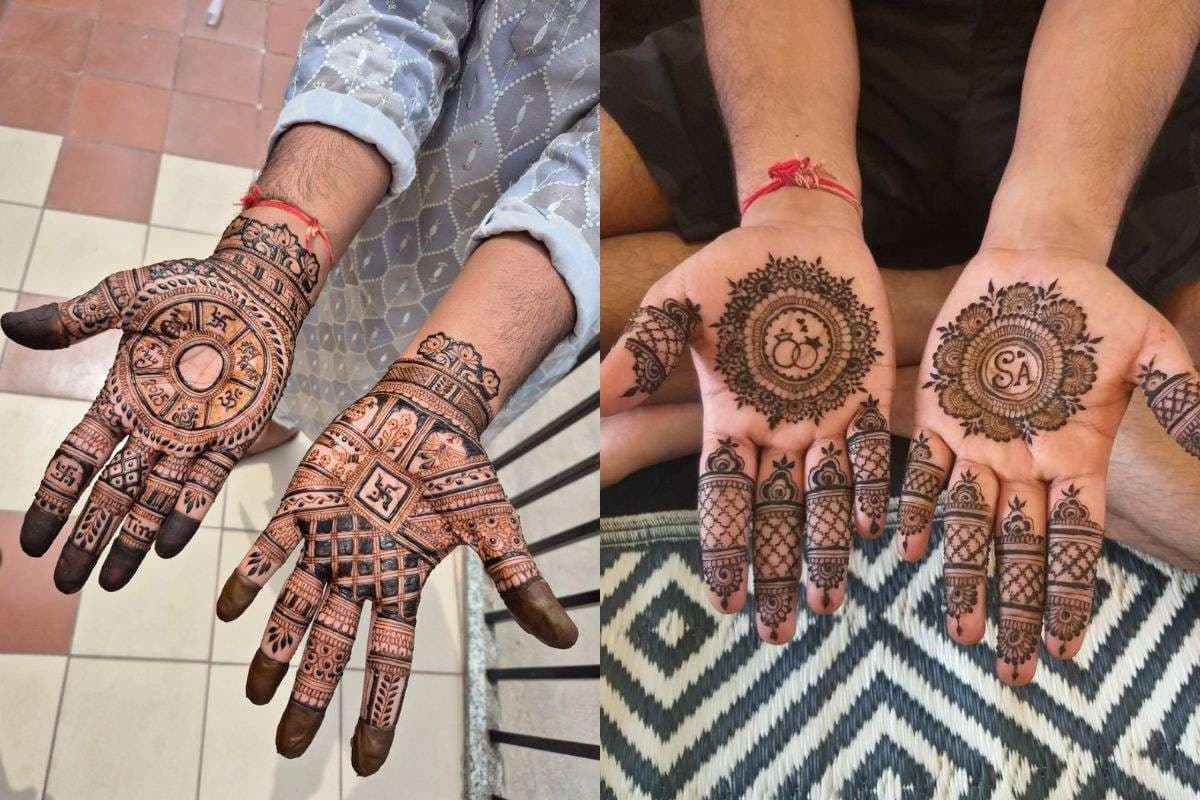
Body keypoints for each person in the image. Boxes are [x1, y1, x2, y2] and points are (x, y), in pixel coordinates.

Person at [0, 0, 598, 776]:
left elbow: (613, 166)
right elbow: (395, 15)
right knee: (293, 353)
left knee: (346, 389)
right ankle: (272, 418)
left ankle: (283, 411)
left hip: (509, 311)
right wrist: (266, 265)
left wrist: (442, 393)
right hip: (367, 207)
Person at [598, 0, 1200, 686]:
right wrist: (796, 204)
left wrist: (1055, 233)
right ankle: (937, 316)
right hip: (834, 52)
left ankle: (901, 392)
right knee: (539, 245)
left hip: (1116, 85)